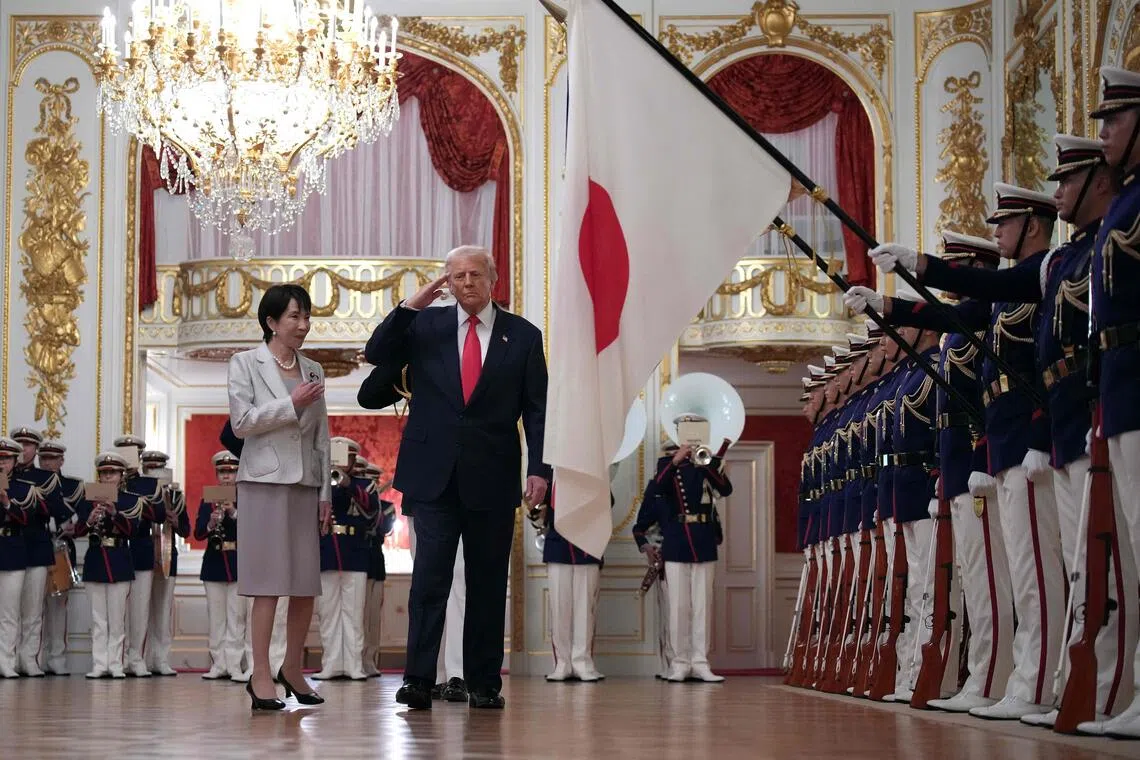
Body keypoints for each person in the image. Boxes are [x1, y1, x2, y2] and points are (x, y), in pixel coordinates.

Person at [365, 245, 550, 710]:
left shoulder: (523, 336)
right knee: (430, 581)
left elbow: (538, 410)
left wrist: (540, 469)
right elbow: (376, 352)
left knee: (488, 583)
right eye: (457, 275)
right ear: (446, 281)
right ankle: (418, 681)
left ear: (493, 280)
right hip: (433, 477)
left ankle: (484, 682)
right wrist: (413, 305)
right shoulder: (425, 325)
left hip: (493, 474)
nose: (466, 282)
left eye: (475, 274)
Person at [228, 282, 331, 710]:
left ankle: (293, 667)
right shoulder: (244, 363)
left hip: (305, 485)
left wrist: (326, 493)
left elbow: (322, 438)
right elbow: (242, 423)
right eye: (294, 316)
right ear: (271, 322)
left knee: (305, 584)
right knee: (268, 584)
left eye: (307, 317)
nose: (303, 325)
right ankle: (261, 674)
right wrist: (290, 402)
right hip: (264, 483)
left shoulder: (314, 370)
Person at [632, 436, 732, 683]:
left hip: (703, 543)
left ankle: (700, 662)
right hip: (676, 544)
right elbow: (656, 489)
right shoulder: (666, 472)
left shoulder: (704, 469)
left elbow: (725, 489)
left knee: (702, 606)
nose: (686, 453)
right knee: (678, 608)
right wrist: (674, 462)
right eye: (679, 450)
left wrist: (708, 462)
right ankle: (680, 663)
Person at [313, 437, 376, 681]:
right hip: (328, 551)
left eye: (346, 456)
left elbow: (372, 513)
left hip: (355, 553)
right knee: (328, 613)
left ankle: (353, 664)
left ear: (353, 459)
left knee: (353, 613)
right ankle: (330, 664)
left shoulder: (364, 484)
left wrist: (348, 484)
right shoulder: (321, 485)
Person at [76, 452, 143, 679]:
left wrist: (114, 513)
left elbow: (134, 531)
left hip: (119, 561)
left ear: (121, 475)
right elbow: (76, 531)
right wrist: (90, 519)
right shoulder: (88, 499)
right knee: (98, 619)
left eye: (112, 472)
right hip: (95, 562)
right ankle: (99, 664)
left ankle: (115, 664)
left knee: (117, 619)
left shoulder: (130, 500)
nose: (107, 477)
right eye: (103, 473)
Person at [9, 426, 67, 678]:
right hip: (9, 545)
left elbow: (56, 509)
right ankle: (8, 658)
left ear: (36, 449)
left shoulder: (46, 479)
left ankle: (29, 658)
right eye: (19, 444)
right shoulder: (4, 476)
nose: (24, 449)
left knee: (33, 609)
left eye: (29, 445)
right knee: (9, 609)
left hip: (36, 545)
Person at [542, 486, 608, 682]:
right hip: (558, 545)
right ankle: (562, 663)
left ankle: (583, 662)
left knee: (585, 610)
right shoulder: (551, 473)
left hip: (587, 546)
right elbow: (539, 511)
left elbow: (607, 502)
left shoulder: (594, 471)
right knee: (559, 610)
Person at [140, 450, 190, 676]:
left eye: (158, 467)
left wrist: (176, 521)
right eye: (149, 467)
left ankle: (160, 658)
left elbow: (187, 530)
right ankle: (139, 658)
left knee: (163, 609)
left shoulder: (175, 495)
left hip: (168, 556)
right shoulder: (137, 492)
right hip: (143, 556)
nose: (154, 471)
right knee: (139, 611)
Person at [35, 440, 83, 676]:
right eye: (43, 458)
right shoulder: (31, 483)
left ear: (61, 460)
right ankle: (37, 657)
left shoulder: (73, 486)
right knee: (33, 607)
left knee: (58, 606)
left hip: (61, 548)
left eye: (52, 458)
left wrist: (73, 524)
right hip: (34, 547)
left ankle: (57, 657)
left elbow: (81, 514)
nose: (47, 462)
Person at [197, 450, 246, 681]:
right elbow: (197, 533)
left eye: (231, 471)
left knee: (236, 618)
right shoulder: (209, 498)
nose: (227, 476)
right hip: (214, 563)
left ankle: (235, 665)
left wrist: (233, 512)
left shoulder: (246, 496)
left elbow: (252, 531)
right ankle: (218, 664)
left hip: (237, 563)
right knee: (216, 618)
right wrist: (210, 522)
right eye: (223, 472)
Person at [362, 460, 395, 678]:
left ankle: (369, 658)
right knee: (356, 616)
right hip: (355, 561)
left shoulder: (386, 506)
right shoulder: (354, 500)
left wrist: (375, 502)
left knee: (372, 617)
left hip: (374, 564)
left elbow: (381, 527)